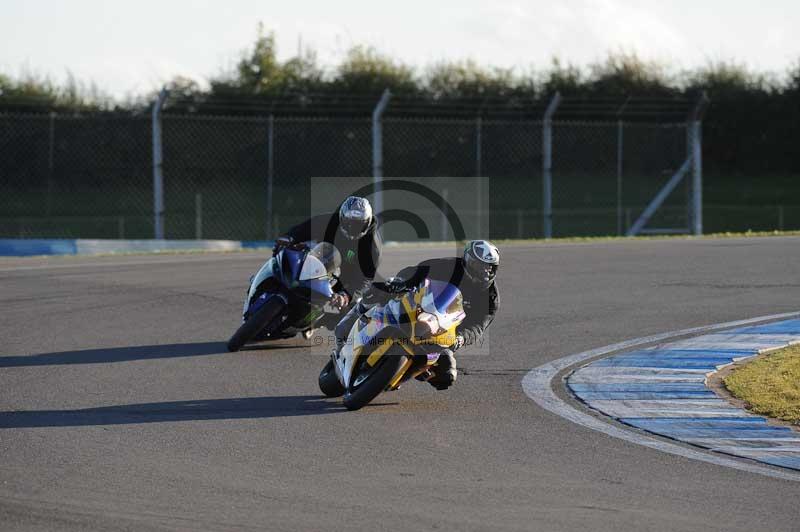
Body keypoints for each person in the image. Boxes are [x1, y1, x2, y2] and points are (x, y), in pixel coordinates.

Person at [335, 240, 500, 390]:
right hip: (418, 309)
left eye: (489, 268)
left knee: (447, 375)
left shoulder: (491, 297)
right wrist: (401, 282)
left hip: (442, 333)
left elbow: (478, 326)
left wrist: (461, 338)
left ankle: (400, 375)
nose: (484, 272)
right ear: (468, 262)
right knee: (379, 290)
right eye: (479, 266)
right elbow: (416, 271)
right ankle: (354, 318)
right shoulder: (449, 266)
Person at [273, 196, 382, 328]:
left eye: (359, 224)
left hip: (345, 279)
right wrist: (289, 237)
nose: (353, 228)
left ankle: (316, 323)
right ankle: (266, 286)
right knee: (284, 256)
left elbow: (365, 278)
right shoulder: (330, 221)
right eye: (349, 222)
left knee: (353, 311)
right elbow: (305, 228)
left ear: (368, 222)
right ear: (341, 218)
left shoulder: (372, 246)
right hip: (318, 260)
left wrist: (346, 295)